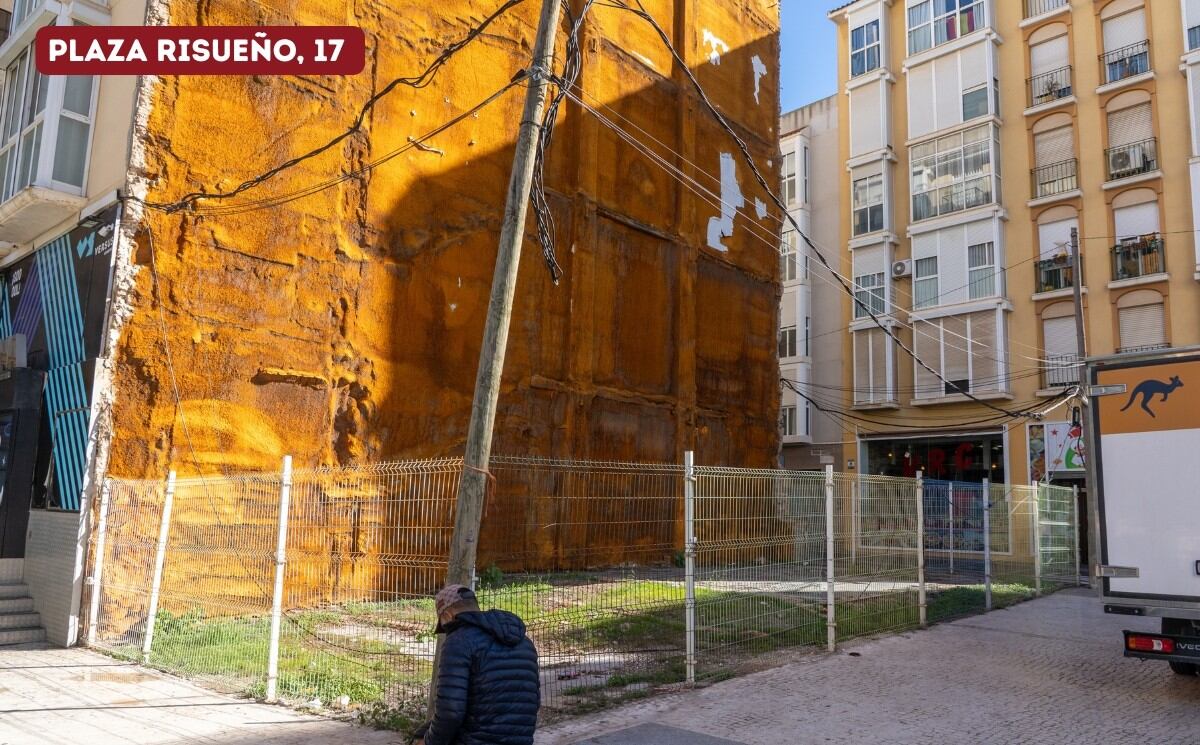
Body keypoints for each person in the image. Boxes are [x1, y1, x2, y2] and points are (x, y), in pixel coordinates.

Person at [415, 584, 540, 745]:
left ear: (447, 616)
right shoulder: (525, 643)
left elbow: (450, 713)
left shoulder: (459, 641)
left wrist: (428, 742)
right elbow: (533, 703)